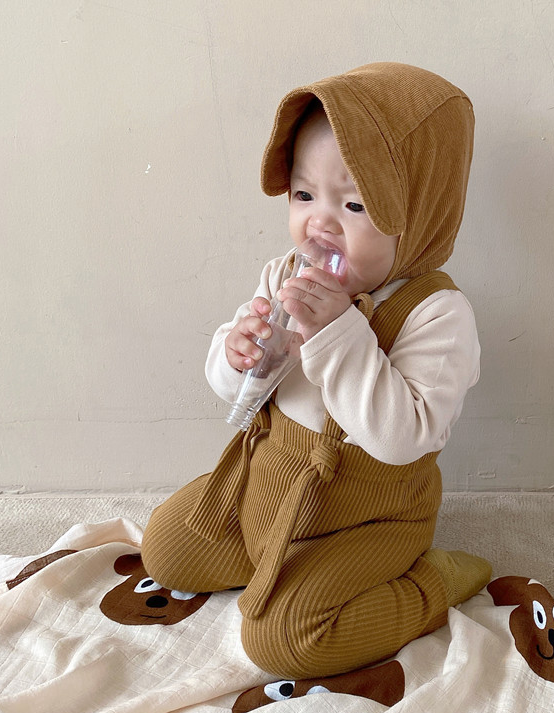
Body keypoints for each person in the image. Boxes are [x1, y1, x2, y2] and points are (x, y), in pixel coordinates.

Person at [141, 61, 490, 680]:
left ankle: (433, 580)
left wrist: (337, 332)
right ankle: (269, 556)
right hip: (271, 486)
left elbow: (401, 438)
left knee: (283, 641)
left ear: (420, 216)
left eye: (354, 204)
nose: (320, 224)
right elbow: (238, 396)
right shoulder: (285, 273)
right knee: (165, 546)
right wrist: (240, 355)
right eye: (304, 195)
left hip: (364, 519)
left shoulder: (436, 314)